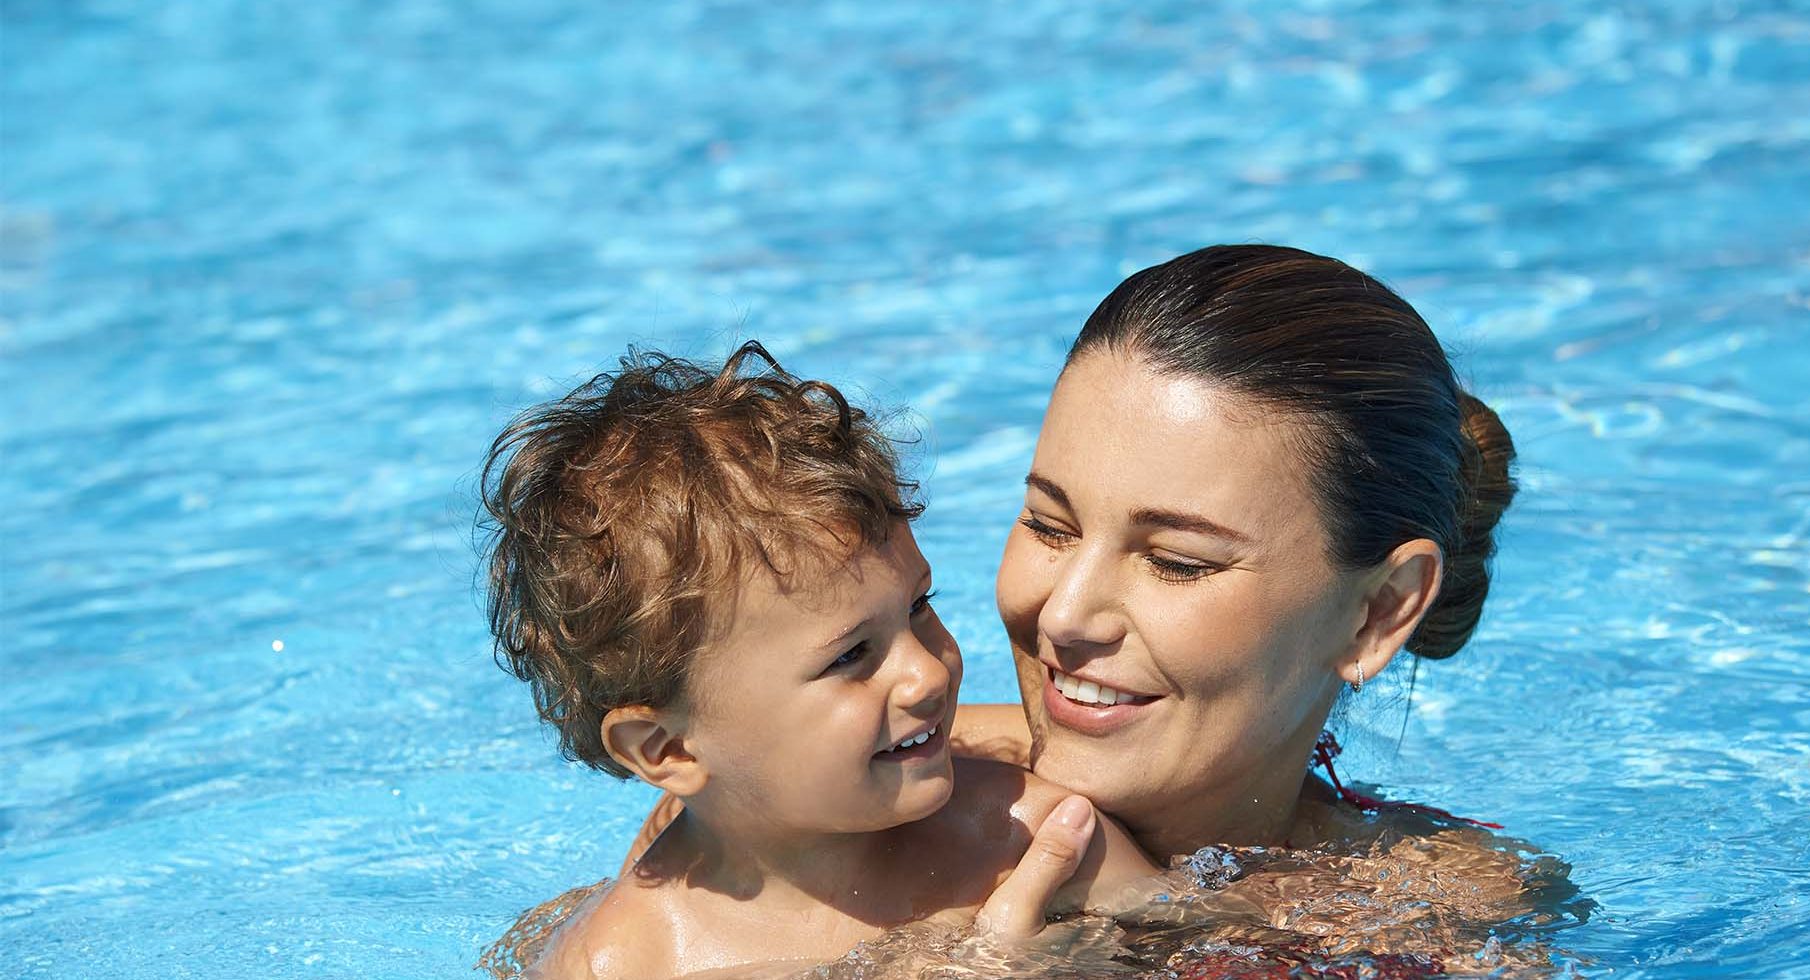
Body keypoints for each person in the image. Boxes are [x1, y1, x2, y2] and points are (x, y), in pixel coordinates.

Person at [624, 243, 1524, 948]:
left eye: (1178, 561)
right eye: (1050, 526)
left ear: (1379, 612)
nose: (1064, 614)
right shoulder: (808, 793)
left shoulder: (1444, 924)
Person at [477, 342, 1158, 978]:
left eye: (919, 605)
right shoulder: (622, 959)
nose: (927, 671)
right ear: (667, 749)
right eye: (852, 655)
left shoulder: (1023, 839)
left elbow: (1240, 939)